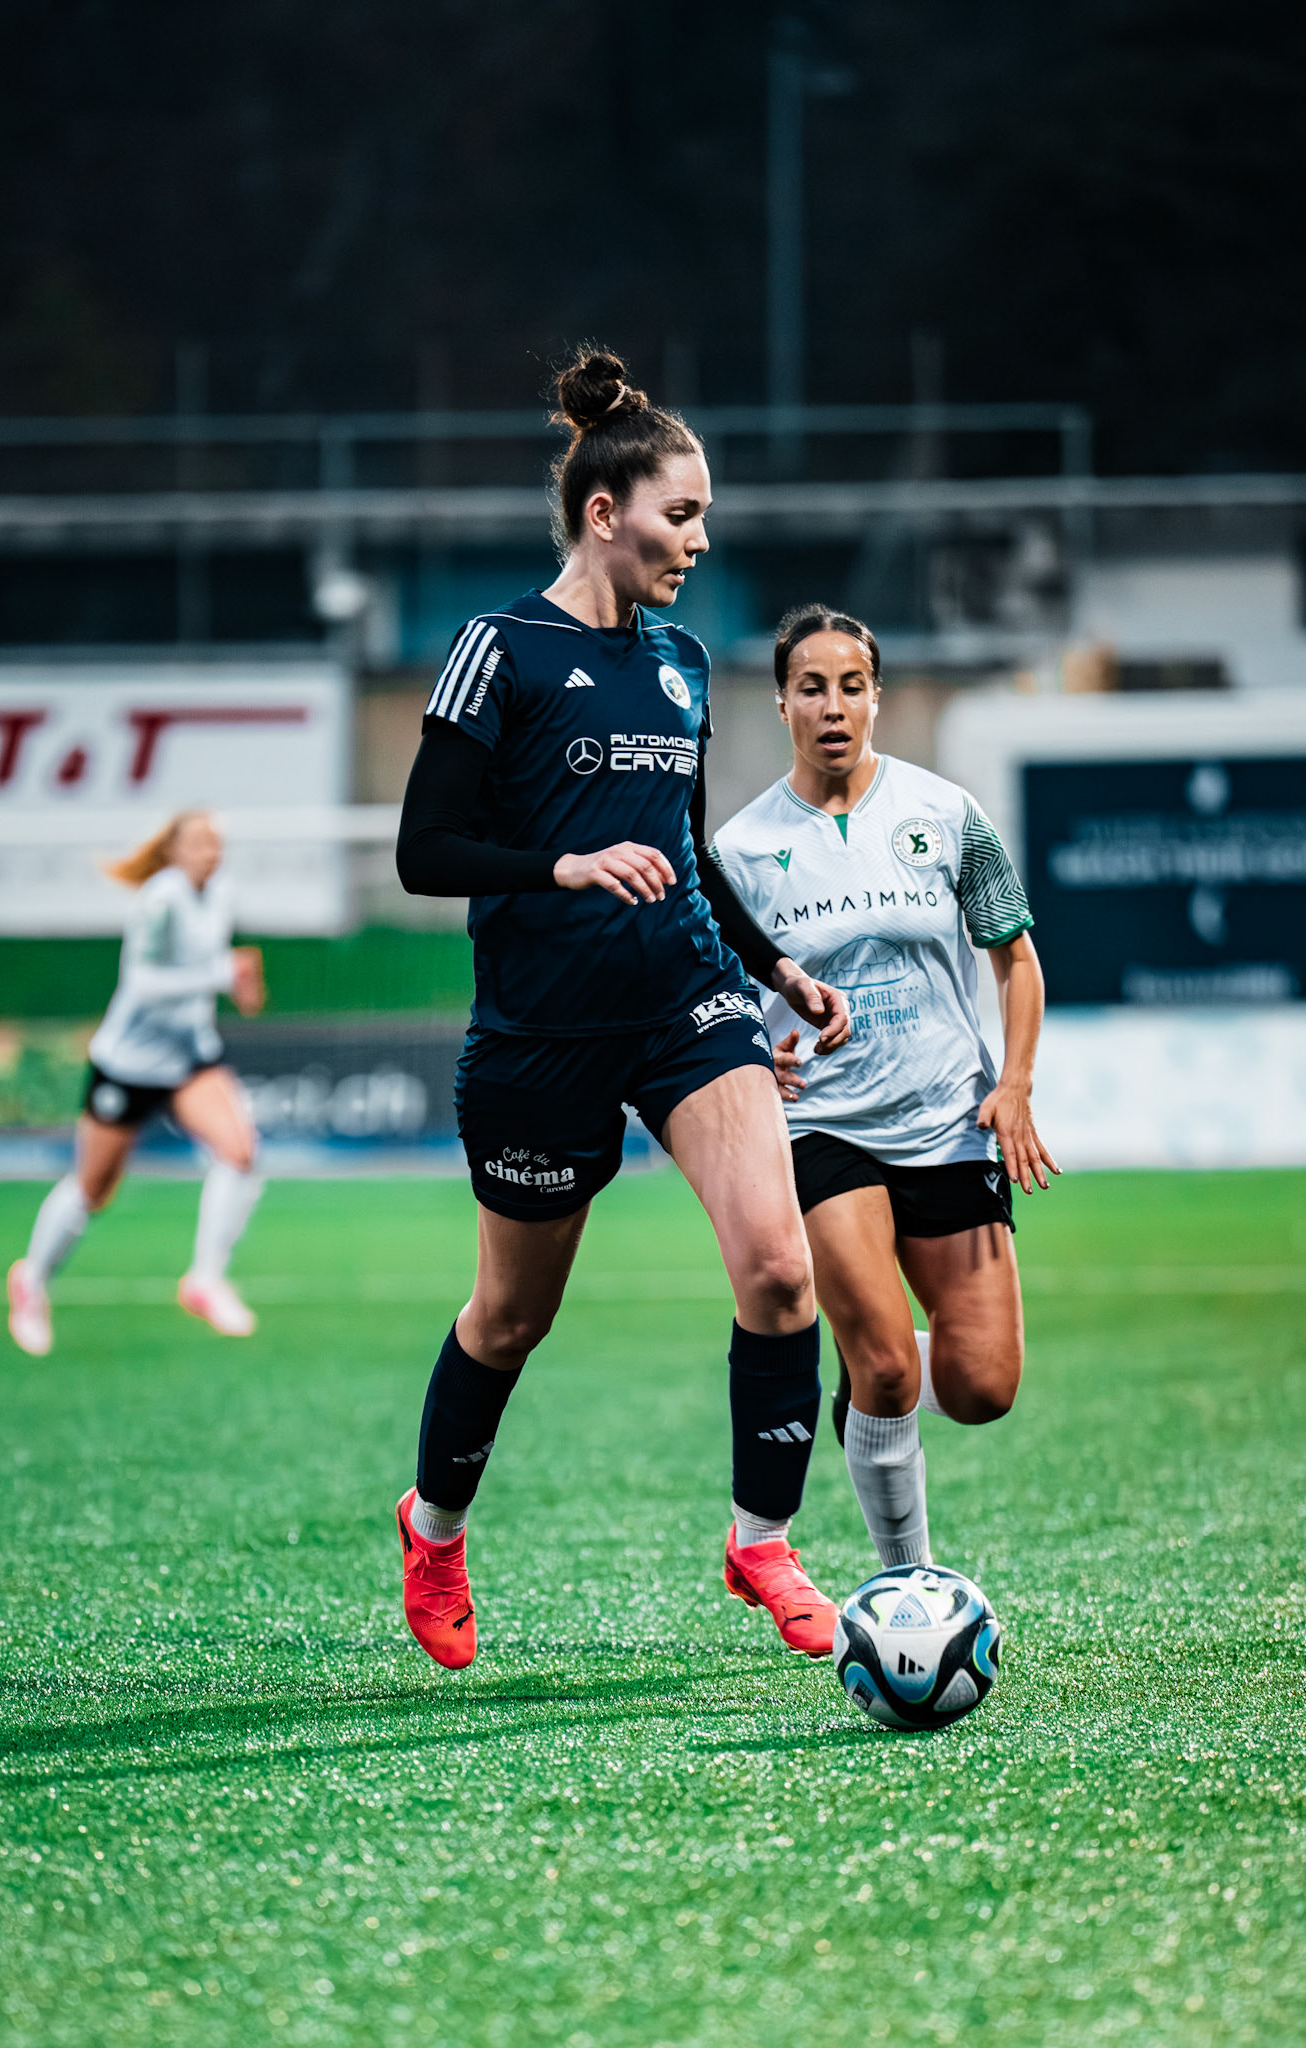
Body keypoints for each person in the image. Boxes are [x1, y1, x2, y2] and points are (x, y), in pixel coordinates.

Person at [393, 347, 853, 1671]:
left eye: (704, 514)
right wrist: (563, 865)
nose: (700, 540)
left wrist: (774, 970)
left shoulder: (684, 661)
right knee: (509, 1320)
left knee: (777, 1269)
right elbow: (428, 850)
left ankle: (760, 1541)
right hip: (540, 1032)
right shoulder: (500, 650)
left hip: (683, 1004)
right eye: (681, 513)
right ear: (606, 513)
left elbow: (686, 846)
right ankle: (434, 1528)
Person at [712, 605, 1059, 1570]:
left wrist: (1015, 1086)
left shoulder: (943, 814)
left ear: (877, 697)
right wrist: (752, 1049)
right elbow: (714, 997)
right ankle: (906, 1585)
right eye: (811, 687)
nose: (833, 706)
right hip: (822, 1129)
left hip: (945, 1120)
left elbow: (1015, 959)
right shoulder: (739, 853)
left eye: (851, 685)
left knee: (984, 1386)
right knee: (889, 1368)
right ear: (781, 703)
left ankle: (876, 1366)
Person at [6, 810, 266, 1356]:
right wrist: (220, 976)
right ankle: (31, 1281)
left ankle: (205, 1279)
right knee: (93, 1188)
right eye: (199, 843)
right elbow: (143, 984)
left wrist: (240, 982)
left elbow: (214, 959)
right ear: (174, 851)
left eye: (217, 843)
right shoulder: (160, 899)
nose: (211, 853)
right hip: (129, 1060)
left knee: (240, 1152)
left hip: (188, 1054)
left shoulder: (221, 893)